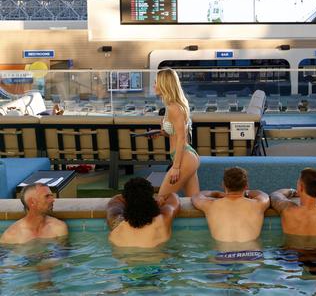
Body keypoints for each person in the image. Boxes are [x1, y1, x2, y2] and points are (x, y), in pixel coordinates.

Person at [191, 166, 270, 242]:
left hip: (223, 254)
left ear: (223, 184)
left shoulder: (210, 205)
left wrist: (217, 193)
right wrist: (247, 193)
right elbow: (263, 194)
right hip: (252, 254)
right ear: (246, 186)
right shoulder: (258, 204)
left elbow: (196, 196)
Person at [154, 68, 200, 197]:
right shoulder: (172, 106)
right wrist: (163, 133)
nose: (154, 85)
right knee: (193, 201)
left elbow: (181, 138)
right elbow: (175, 134)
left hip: (184, 158)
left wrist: (175, 167)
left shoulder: (174, 108)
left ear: (164, 84)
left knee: (161, 199)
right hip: (185, 156)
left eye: (156, 82)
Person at [106, 177, 180, 248]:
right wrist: (157, 198)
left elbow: (116, 199)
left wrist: (133, 197)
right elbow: (173, 196)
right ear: (151, 198)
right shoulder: (164, 219)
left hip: (123, 260)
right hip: (155, 258)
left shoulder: (116, 223)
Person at [0, 183, 68, 244]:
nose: (52, 200)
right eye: (47, 196)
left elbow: (64, 255)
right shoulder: (11, 236)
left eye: (51, 195)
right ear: (32, 202)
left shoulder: (59, 227)